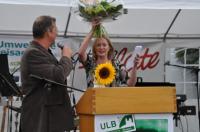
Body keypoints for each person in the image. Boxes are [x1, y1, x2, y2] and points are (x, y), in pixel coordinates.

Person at [20, 16, 74, 132]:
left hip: (49, 117)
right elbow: (58, 76)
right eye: (55, 28)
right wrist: (66, 57)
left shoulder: (42, 52)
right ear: (49, 32)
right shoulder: (33, 53)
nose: (57, 31)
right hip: (39, 118)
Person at [78, 20, 138, 88]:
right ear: (94, 48)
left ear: (109, 47)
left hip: (113, 98)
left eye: (104, 45)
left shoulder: (116, 64)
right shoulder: (91, 63)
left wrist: (135, 66)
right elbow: (80, 53)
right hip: (94, 97)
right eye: (98, 45)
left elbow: (130, 84)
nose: (101, 47)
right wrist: (93, 30)